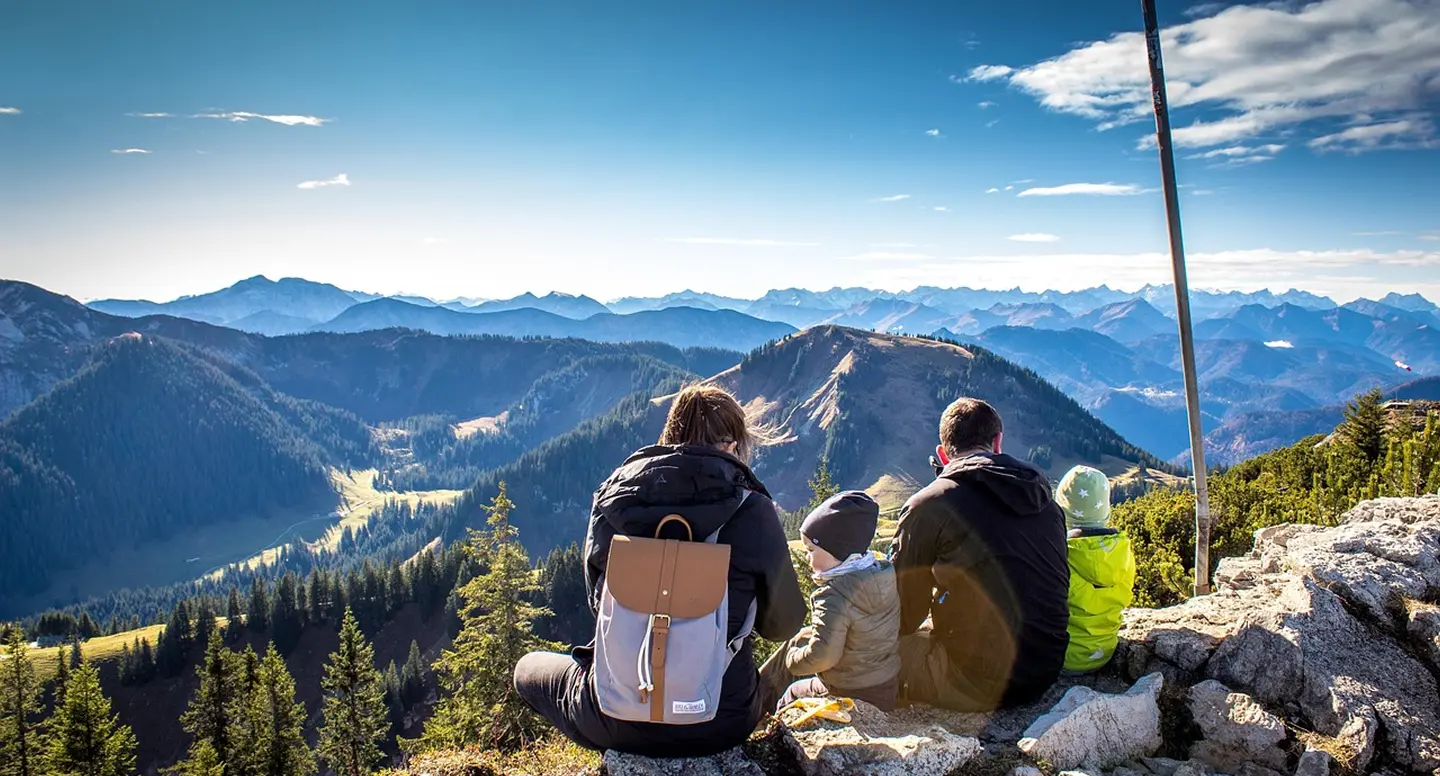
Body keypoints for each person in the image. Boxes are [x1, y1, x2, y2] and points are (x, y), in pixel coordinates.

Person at [513, 384, 806, 758]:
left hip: (612, 716)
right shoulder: (752, 510)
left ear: (669, 436)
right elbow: (783, 624)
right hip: (719, 720)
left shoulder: (613, 498)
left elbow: (597, 602)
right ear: (733, 446)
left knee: (527, 669)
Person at [891, 397, 1069, 712]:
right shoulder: (1045, 501)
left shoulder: (930, 505)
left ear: (943, 454)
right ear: (997, 442)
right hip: (1045, 670)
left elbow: (905, 615)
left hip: (974, 681)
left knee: (841, 651)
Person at [757, 490, 901, 713]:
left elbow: (822, 657)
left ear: (837, 551)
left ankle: (765, 725)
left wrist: (792, 661)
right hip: (884, 684)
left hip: (849, 690)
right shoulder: (882, 575)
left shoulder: (834, 594)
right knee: (799, 638)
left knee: (793, 691)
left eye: (812, 550)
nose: (807, 557)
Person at [1055, 465, 1136, 673]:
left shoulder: (1059, 554)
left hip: (1063, 658)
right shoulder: (1123, 551)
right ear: (1106, 509)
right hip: (1105, 651)